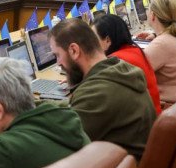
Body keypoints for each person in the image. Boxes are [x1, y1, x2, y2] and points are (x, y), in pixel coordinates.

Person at [49, 18, 155, 160]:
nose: (58, 63)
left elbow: (60, 147)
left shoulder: (96, 93)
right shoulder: (120, 69)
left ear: (74, 50)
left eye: (57, 55)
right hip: (132, 166)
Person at [94, 14, 161, 115]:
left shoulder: (115, 61)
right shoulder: (136, 50)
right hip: (153, 114)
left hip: (144, 120)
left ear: (107, 40)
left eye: (94, 39)